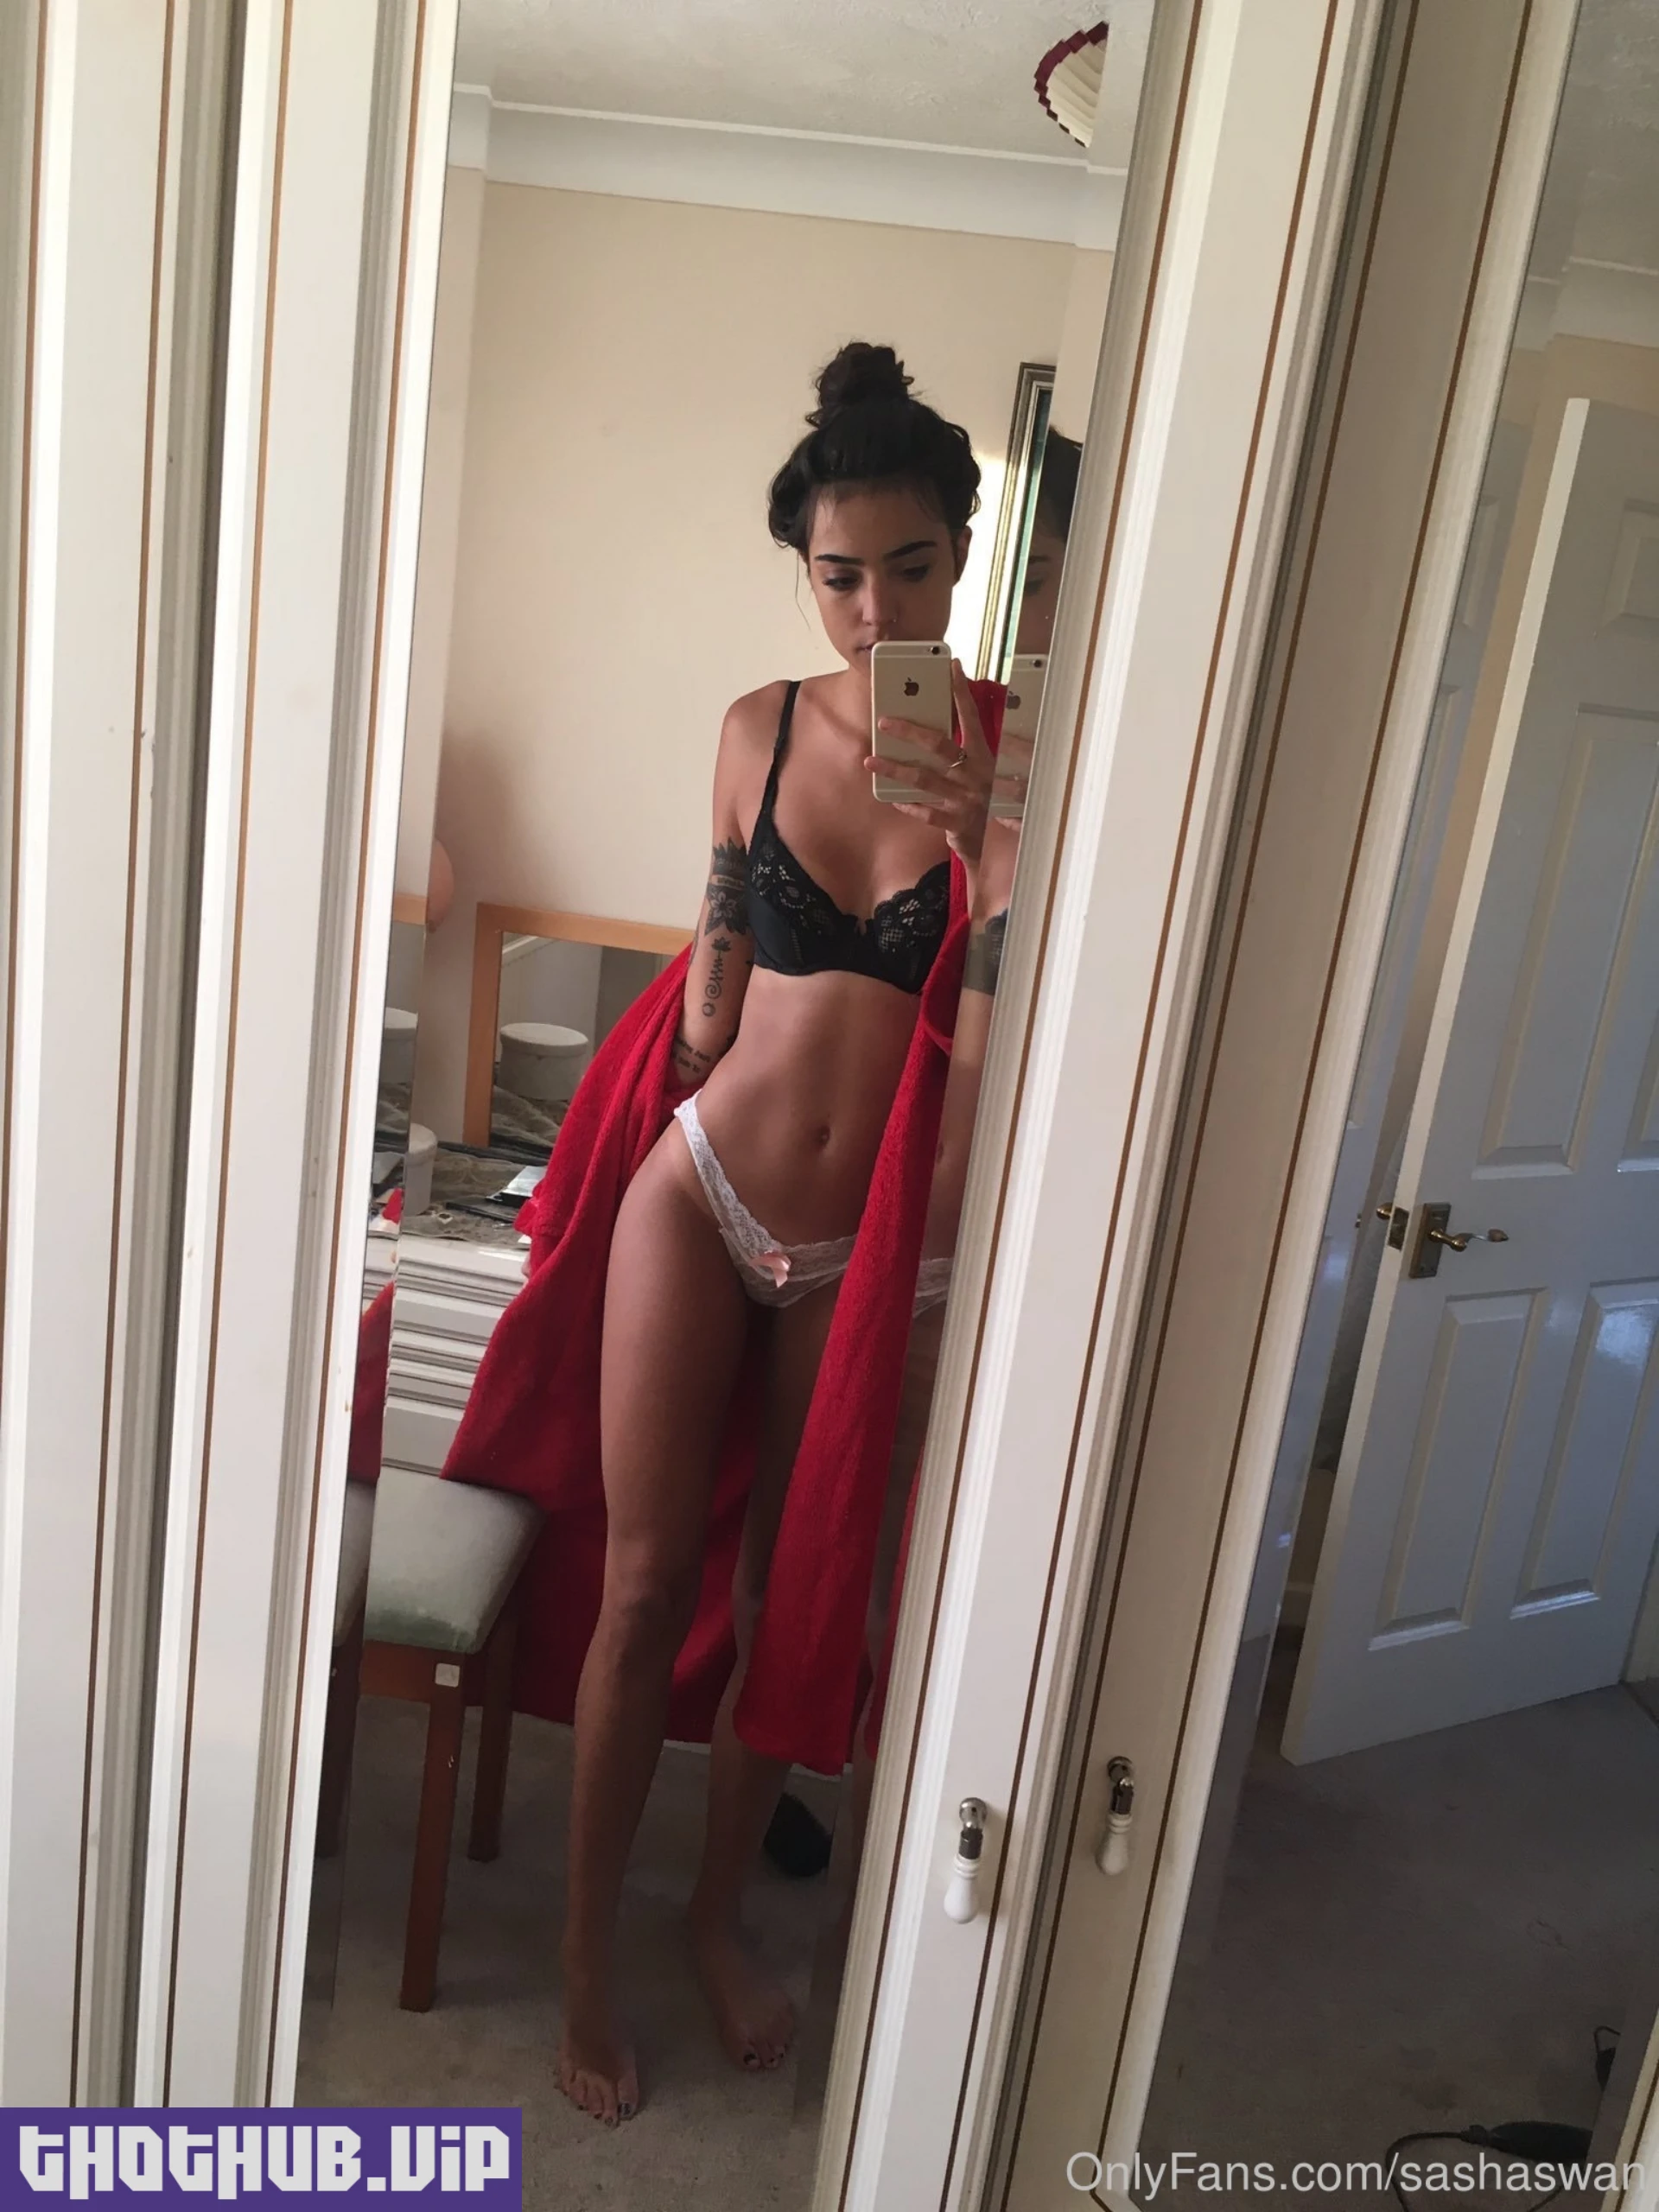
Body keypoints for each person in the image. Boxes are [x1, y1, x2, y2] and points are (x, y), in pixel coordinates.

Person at [443, 342, 1022, 2125]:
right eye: (840, 575)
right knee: (639, 1586)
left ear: (962, 552)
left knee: (789, 1598)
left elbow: (1021, 1031)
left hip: (870, 1251)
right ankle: (588, 1957)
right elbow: (714, 976)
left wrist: (987, 850)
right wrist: (668, 1053)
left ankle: (711, 1916)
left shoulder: (1021, 755)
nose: (876, 611)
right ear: (804, 571)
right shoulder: (753, 729)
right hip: (705, 1193)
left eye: (911, 567)